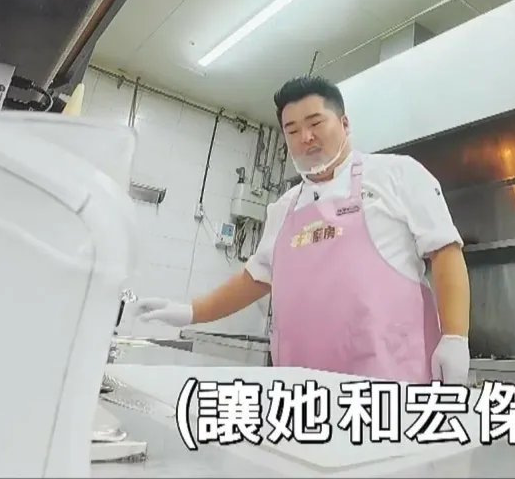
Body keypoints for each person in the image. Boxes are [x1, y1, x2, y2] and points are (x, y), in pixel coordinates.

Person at [129, 76, 472, 385]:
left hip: (390, 386)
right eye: (292, 131)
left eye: (315, 123)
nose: (306, 137)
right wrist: (192, 312)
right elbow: (255, 278)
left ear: (344, 123)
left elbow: (444, 250)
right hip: (302, 391)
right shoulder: (284, 207)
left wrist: (455, 337)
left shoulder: (397, 175)